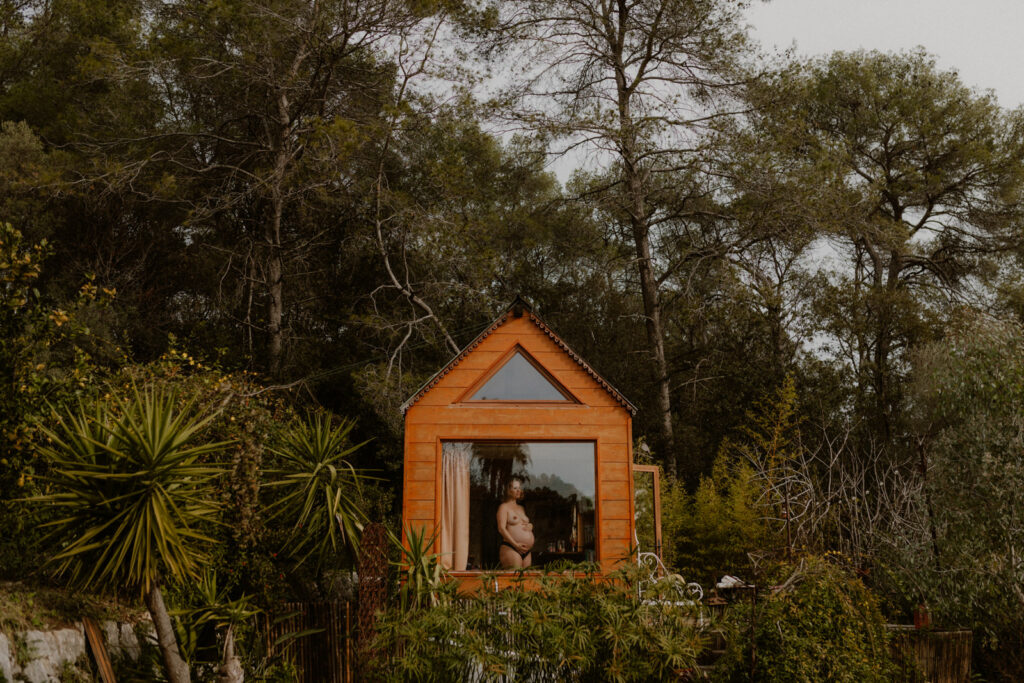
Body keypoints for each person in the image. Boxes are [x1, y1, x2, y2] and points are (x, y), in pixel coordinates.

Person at [497, 477, 534, 569]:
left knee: (527, 577)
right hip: (511, 548)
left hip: (526, 551)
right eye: (515, 488)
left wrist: (530, 526)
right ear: (508, 490)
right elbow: (501, 529)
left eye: (519, 488)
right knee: (515, 576)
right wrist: (516, 545)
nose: (518, 491)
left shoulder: (521, 508)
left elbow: (523, 524)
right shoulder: (503, 507)